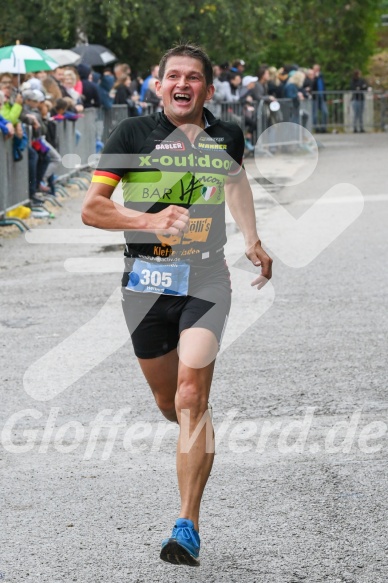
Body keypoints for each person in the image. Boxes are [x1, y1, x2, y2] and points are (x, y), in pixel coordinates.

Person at [81, 43, 272, 567]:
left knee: (191, 395)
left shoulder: (225, 134)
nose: (182, 84)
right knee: (170, 405)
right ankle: (194, 429)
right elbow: (93, 210)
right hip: (144, 286)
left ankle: (186, 525)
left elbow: (234, 179)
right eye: (173, 77)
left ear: (208, 89)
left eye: (194, 77)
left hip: (207, 278)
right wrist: (149, 220)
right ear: (158, 85)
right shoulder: (132, 135)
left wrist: (251, 238)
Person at [312, 63, 328, 133]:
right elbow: (312, 85)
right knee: (315, 114)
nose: (316, 71)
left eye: (317, 69)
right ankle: (316, 128)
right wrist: (315, 78)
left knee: (325, 112)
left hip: (321, 96)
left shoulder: (321, 77)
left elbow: (323, 87)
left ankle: (323, 127)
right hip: (315, 97)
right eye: (315, 69)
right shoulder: (312, 76)